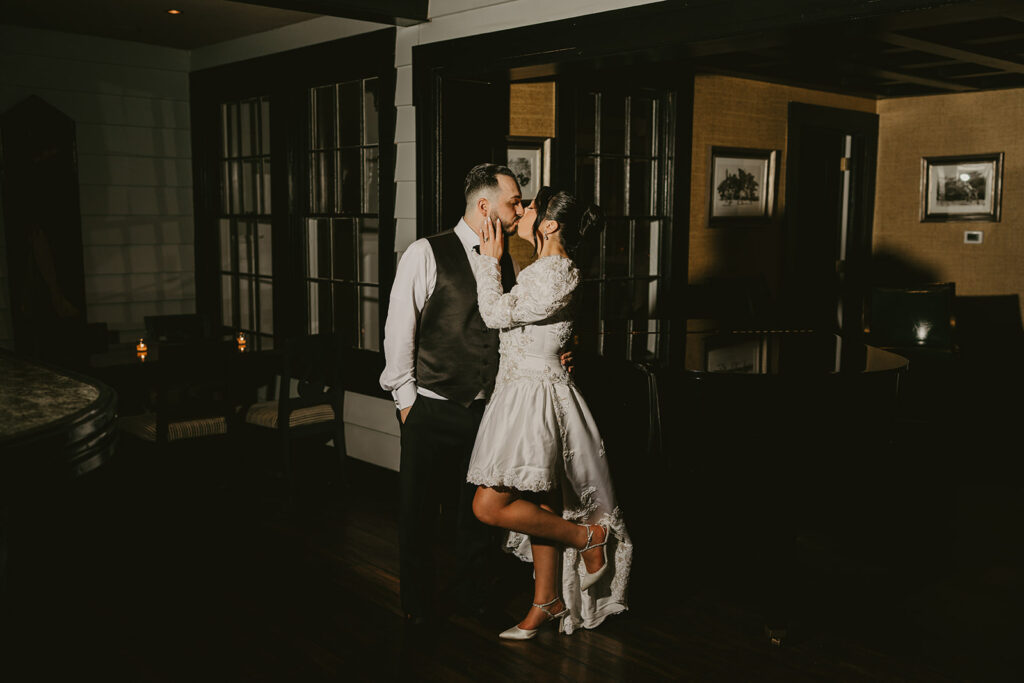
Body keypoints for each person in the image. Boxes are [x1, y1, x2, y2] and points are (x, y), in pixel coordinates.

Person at [379, 163, 570, 626]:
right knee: (418, 513)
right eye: (513, 202)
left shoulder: (511, 255)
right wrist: (408, 404)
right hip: (432, 404)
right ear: (484, 207)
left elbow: (519, 327)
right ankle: (418, 605)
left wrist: (555, 353)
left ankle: (473, 596)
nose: (520, 209)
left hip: (490, 409)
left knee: (477, 516)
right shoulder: (426, 252)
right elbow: (398, 331)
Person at [467, 187, 632, 638]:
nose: (520, 211)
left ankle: (587, 537)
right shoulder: (542, 270)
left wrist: (488, 257)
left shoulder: (556, 272)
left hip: (536, 397)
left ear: (551, 224)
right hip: (517, 392)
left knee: (489, 504)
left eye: (530, 207)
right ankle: (547, 600)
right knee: (542, 501)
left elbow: (494, 313)